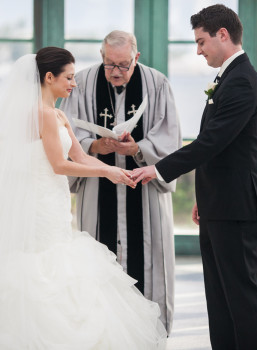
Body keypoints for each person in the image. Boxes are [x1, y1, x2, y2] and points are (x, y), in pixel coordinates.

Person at [0, 47, 167, 349]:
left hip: (53, 201)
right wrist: (107, 175)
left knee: (57, 262)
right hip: (40, 204)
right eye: (68, 77)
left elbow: (79, 154)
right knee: (44, 266)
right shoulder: (42, 115)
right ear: (49, 77)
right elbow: (60, 165)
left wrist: (117, 172)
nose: (73, 84)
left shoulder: (58, 114)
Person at [132, 5, 257, 350]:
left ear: (222, 35)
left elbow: (211, 143)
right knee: (220, 297)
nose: (198, 51)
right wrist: (203, 197)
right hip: (219, 204)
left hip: (236, 208)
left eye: (201, 42)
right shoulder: (229, 77)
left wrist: (158, 168)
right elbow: (222, 151)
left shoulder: (241, 81)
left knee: (241, 296)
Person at [60, 30, 181, 334]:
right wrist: (94, 146)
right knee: (97, 265)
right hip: (98, 186)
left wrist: (138, 148)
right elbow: (67, 132)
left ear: (136, 57)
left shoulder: (157, 83)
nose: (115, 72)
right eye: (109, 64)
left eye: (123, 65)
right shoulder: (83, 83)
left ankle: (150, 334)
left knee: (148, 263)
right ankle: (99, 334)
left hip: (144, 190)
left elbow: (169, 137)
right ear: (102, 57)